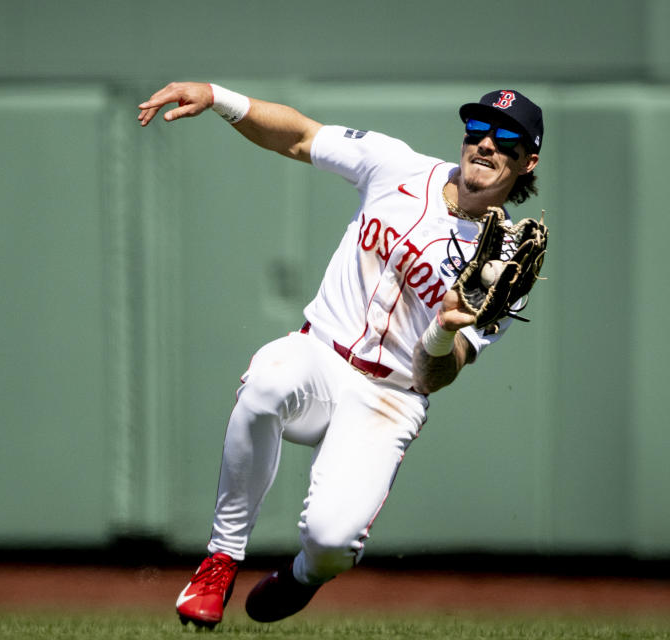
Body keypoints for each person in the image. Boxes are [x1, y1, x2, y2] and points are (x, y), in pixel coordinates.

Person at [137, 83, 543, 628]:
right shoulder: (397, 166)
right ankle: (221, 558)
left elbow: (437, 375)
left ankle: (304, 575)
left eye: (507, 138)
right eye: (478, 129)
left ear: (528, 159)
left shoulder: (507, 266)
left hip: (391, 395)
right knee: (267, 383)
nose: (487, 144)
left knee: (331, 542)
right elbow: (301, 136)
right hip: (320, 355)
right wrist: (217, 96)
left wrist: (445, 330)